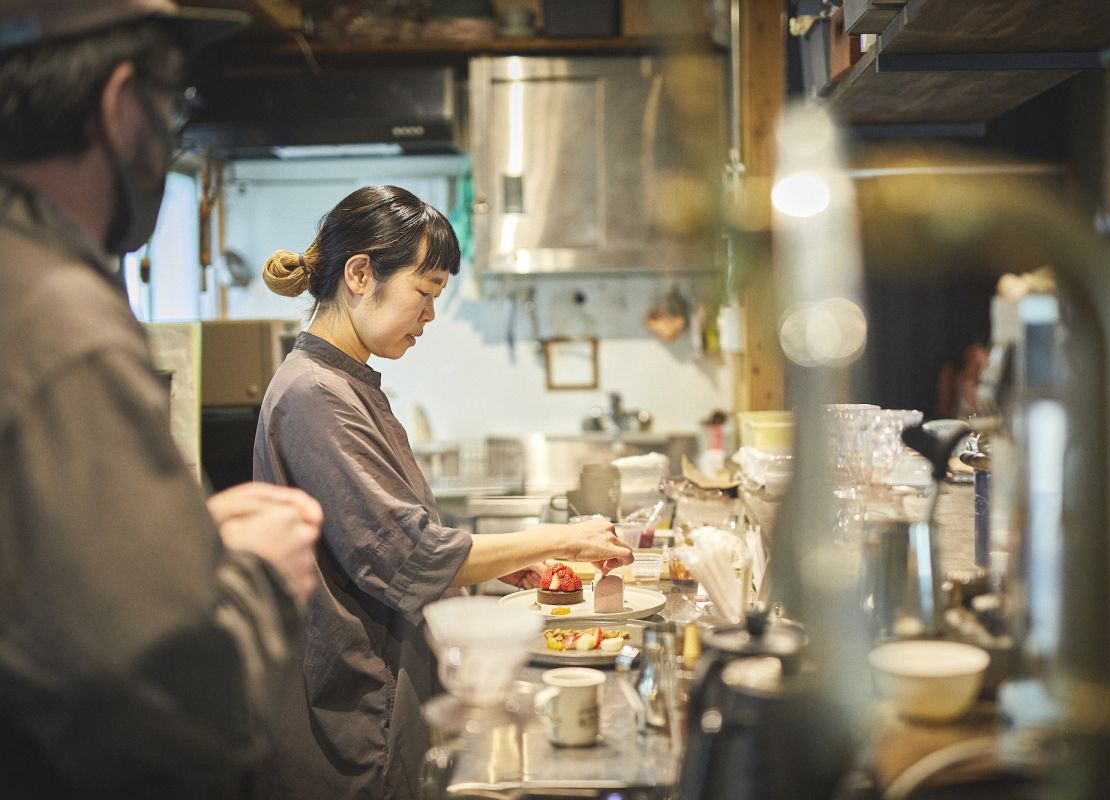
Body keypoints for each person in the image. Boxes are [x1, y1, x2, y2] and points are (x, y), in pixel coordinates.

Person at [0, 1, 323, 796]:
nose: (175, 135)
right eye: (174, 105)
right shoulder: (59, 323)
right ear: (118, 106)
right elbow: (172, 710)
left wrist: (180, 546)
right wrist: (255, 576)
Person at [253, 184, 635, 799]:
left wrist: (498, 565)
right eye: (425, 292)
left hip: (386, 691)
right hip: (360, 709)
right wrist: (565, 537)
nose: (430, 315)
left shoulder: (347, 385)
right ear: (359, 273)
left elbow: (398, 541)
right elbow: (409, 556)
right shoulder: (315, 394)